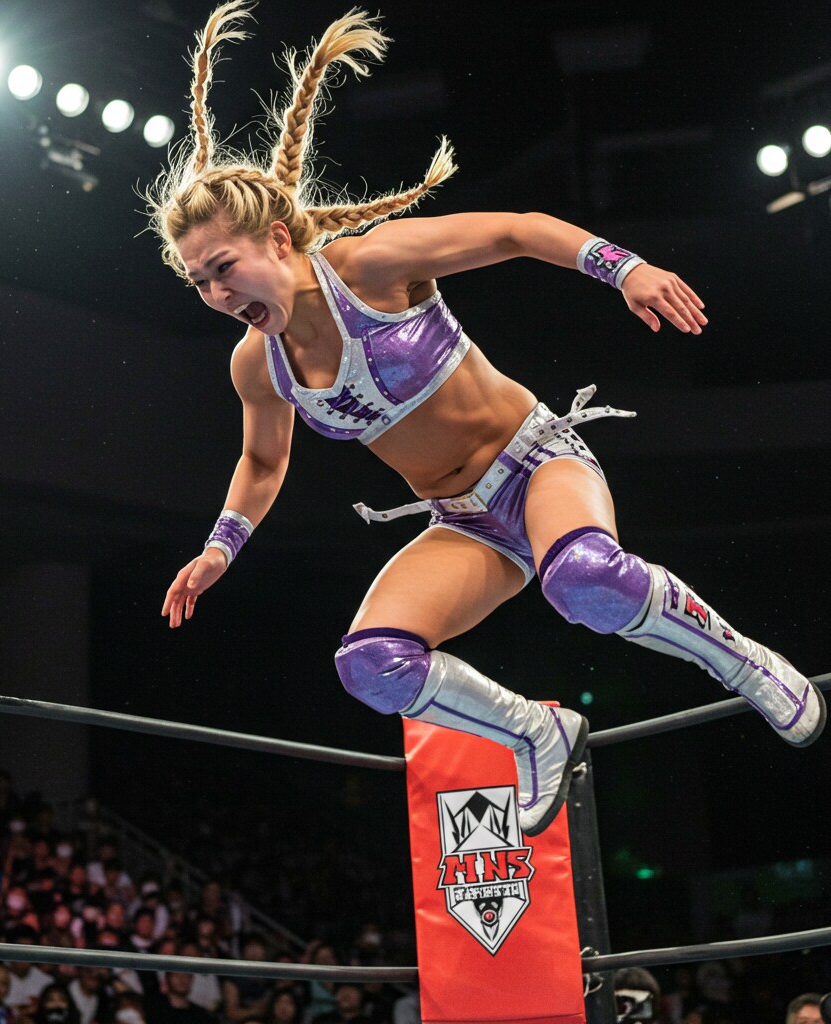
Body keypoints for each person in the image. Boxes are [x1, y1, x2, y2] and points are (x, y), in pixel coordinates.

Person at [151, 1, 825, 836]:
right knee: (372, 665)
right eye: (199, 283)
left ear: (279, 242)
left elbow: (514, 231)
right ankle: (534, 732)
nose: (217, 294)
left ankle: (745, 662)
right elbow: (262, 462)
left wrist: (624, 270)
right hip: (462, 521)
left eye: (223, 268)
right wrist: (220, 549)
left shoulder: (372, 267)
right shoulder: (256, 364)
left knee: (584, 579)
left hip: (537, 463)